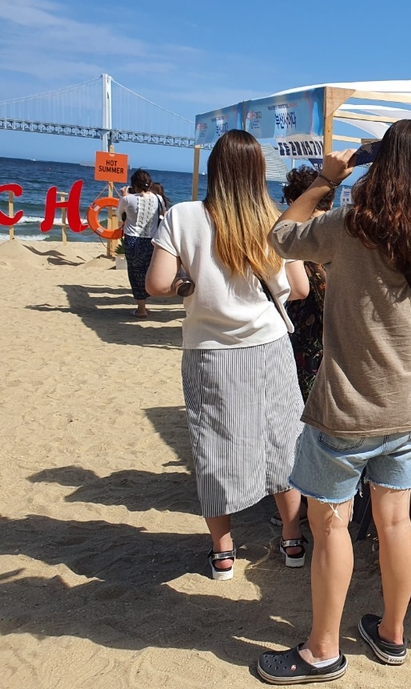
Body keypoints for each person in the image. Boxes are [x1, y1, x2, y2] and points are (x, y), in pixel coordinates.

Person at [257, 119, 411, 684]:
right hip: (410, 405)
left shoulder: (351, 225)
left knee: (332, 524)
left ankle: (322, 650)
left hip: (346, 405)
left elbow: (281, 238)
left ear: (380, 165)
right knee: (395, 520)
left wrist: (323, 180)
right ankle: (392, 635)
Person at [145, 130, 310, 581]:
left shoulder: (182, 215)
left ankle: (222, 553)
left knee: (213, 445)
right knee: (282, 440)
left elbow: (157, 285)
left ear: (216, 169)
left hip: (211, 352)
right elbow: (300, 288)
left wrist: (188, 285)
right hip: (270, 347)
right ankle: (293, 539)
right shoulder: (275, 218)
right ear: (259, 172)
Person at [281, 166, 334, 401]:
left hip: (304, 333)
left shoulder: (294, 235)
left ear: (294, 200)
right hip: (342, 335)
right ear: (330, 202)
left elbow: (299, 289)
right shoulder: (343, 230)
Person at [117, 169, 163, 318]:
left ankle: (141, 308)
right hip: (151, 240)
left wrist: (125, 196)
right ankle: (144, 305)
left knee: (134, 272)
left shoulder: (128, 199)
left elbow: (119, 215)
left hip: (132, 239)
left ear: (133, 185)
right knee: (146, 271)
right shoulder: (159, 199)